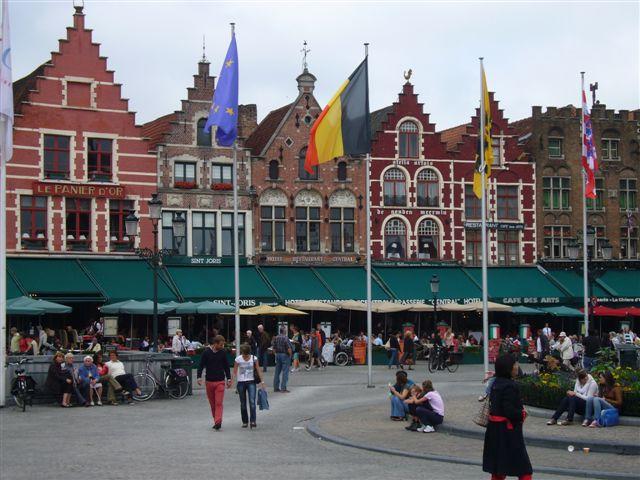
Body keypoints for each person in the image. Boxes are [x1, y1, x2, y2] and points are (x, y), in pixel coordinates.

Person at [482, 354, 532, 480]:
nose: (517, 367)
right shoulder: (510, 386)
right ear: (509, 368)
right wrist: (522, 414)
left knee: (498, 468)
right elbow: (510, 412)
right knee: (524, 469)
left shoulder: (495, 383)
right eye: (515, 364)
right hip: (508, 432)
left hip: (494, 430)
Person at [197, 335, 232, 430]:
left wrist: (229, 379)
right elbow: (201, 365)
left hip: (220, 381)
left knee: (218, 402)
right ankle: (216, 420)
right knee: (213, 404)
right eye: (221, 345)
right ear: (215, 344)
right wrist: (199, 377)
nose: (222, 346)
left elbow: (226, 366)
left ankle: (218, 421)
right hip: (209, 382)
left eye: (223, 344)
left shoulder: (223, 353)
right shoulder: (206, 352)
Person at [232, 343, 266, 428]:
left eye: (246, 355)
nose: (245, 357)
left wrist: (262, 381)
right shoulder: (238, 359)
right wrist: (232, 382)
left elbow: (258, 369)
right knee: (243, 403)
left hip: (251, 381)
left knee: (252, 402)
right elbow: (235, 371)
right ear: (242, 353)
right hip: (241, 382)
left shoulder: (254, 358)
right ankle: (245, 421)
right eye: (244, 355)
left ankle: (253, 421)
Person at [272, 326, 293, 393]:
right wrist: (290, 356)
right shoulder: (286, 338)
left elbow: (273, 348)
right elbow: (289, 348)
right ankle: (283, 388)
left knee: (277, 372)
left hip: (278, 354)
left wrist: (276, 354)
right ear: (284, 331)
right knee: (285, 372)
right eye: (285, 330)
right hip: (285, 355)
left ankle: (276, 388)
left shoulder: (276, 337)